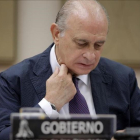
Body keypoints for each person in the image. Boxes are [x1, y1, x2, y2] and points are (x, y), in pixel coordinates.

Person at [0, 0, 140, 139]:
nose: (90, 56)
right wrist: (50, 104)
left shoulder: (122, 78)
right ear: (56, 34)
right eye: (81, 43)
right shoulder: (13, 80)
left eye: (98, 45)